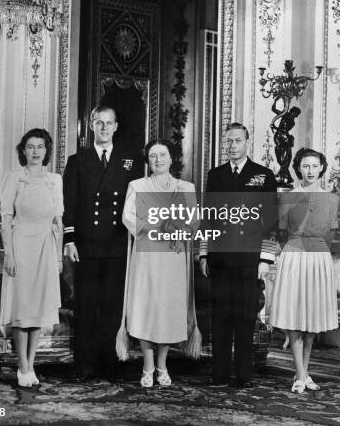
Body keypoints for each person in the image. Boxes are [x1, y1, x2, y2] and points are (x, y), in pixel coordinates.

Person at [63, 105, 142, 381]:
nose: (105, 128)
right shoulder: (77, 160)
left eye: (109, 123)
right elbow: (69, 204)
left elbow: (136, 204)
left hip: (117, 244)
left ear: (116, 126)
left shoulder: (130, 160)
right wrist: (70, 239)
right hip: (86, 244)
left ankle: (109, 364)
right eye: (99, 123)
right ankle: (84, 365)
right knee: (85, 306)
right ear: (92, 126)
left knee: (111, 306)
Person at [200, 122, 277, 387]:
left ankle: (244, 375)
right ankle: (219, 374)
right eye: (228, 141)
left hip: (249, 259)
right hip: (220, 257)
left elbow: (270, 220)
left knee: (245, 318)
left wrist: (266, 259)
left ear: (247, 142)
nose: (232, 146)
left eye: (237, 141)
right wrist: (203, 254)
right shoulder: (216, 174)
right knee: (220, 317)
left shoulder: (263, 175)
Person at [121, 139, 201, 387]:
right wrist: (154, 226)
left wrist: (179, 230)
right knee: (148, 307)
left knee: (167, 309)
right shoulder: (137, 185)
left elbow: (195, 220)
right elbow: (127, 217)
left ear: (171, 158)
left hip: (173, 255)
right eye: (153, 156)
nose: (158, 160)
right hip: (147, 255)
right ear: (148, 160)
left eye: (162, 154)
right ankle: (147, 365)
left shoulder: (185, 187)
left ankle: (162, 365)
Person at [270, 147, 339, 393]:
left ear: (322, 168)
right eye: (305, 166)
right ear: (298, 167)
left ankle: (304, 373)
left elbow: (330, 235)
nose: (310, 171)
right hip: (294, 257)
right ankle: (300, 375)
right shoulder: (287, 197)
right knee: (295, 315)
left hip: (319, 259)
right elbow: (280, 233)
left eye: (315, 166)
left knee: (311, 319)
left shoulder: (332, 198)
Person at [0, 128, 63, 388]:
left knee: (37, 310)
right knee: (22, 308)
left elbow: (59, 221)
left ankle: (31, 363)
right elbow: (5, 219)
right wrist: (9, 255)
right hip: (20, 246)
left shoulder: (55, 180)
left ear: (47, 150)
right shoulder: (14, 178)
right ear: (23, 150)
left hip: (45, 249)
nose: (35, 151)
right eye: (30, 147)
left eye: (40, 146)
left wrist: (58, 257)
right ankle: (22, 367)